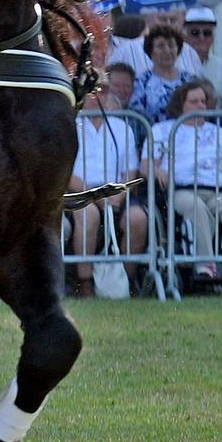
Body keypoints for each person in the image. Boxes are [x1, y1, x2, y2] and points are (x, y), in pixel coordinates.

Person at [144, 78, 222, 284]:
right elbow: (146, 165)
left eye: (203, 101)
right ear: (181, 104)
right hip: (182, 190)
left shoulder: (218, 132)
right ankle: (205, 265)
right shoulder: (163, 129)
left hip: (218, 190)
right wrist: (157, 170)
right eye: (194, 102)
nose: (201, 106)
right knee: (195, 207)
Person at [68, 82, 147, 296]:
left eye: (102, 90)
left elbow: (131, 170)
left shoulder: (122, 127)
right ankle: (85, 284)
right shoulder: (70, 125)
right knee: (88, 215)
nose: (97, 95)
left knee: (138, 219)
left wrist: (119, 194)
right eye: (92, 91)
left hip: (116, 193)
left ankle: (124, 280)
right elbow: (67, 173)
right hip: (81, 193)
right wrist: (95, 196)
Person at [129, 26, 198, 126]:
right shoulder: (140, 82)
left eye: (171, 45)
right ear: (150, 51)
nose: (167, 50)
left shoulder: (191, 81)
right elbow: (137, 117)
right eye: (161, 46)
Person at [109, 9, 202, 76]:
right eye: (163, 19)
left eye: (173, 20)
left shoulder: (190, 53)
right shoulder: (126, 51)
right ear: (148, 19)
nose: (168, 24)